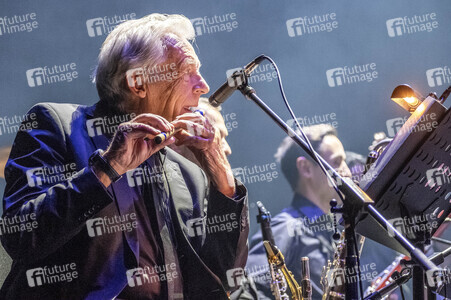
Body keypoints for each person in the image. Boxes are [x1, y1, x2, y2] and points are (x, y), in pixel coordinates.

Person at [0, 14, 249, 300]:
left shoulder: (187, 173)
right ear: (138, 83)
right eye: (186, 71)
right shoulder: (58, 125)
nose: (203, 85)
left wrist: (218, 167)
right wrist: (107, 167)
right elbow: (20, 236)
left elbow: (221, 280)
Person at [246, 124, 351, 299]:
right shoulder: (286, 226)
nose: (347, 172)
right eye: (337, 162)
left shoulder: (326, 233)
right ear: (305, 168)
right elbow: (252, 293)